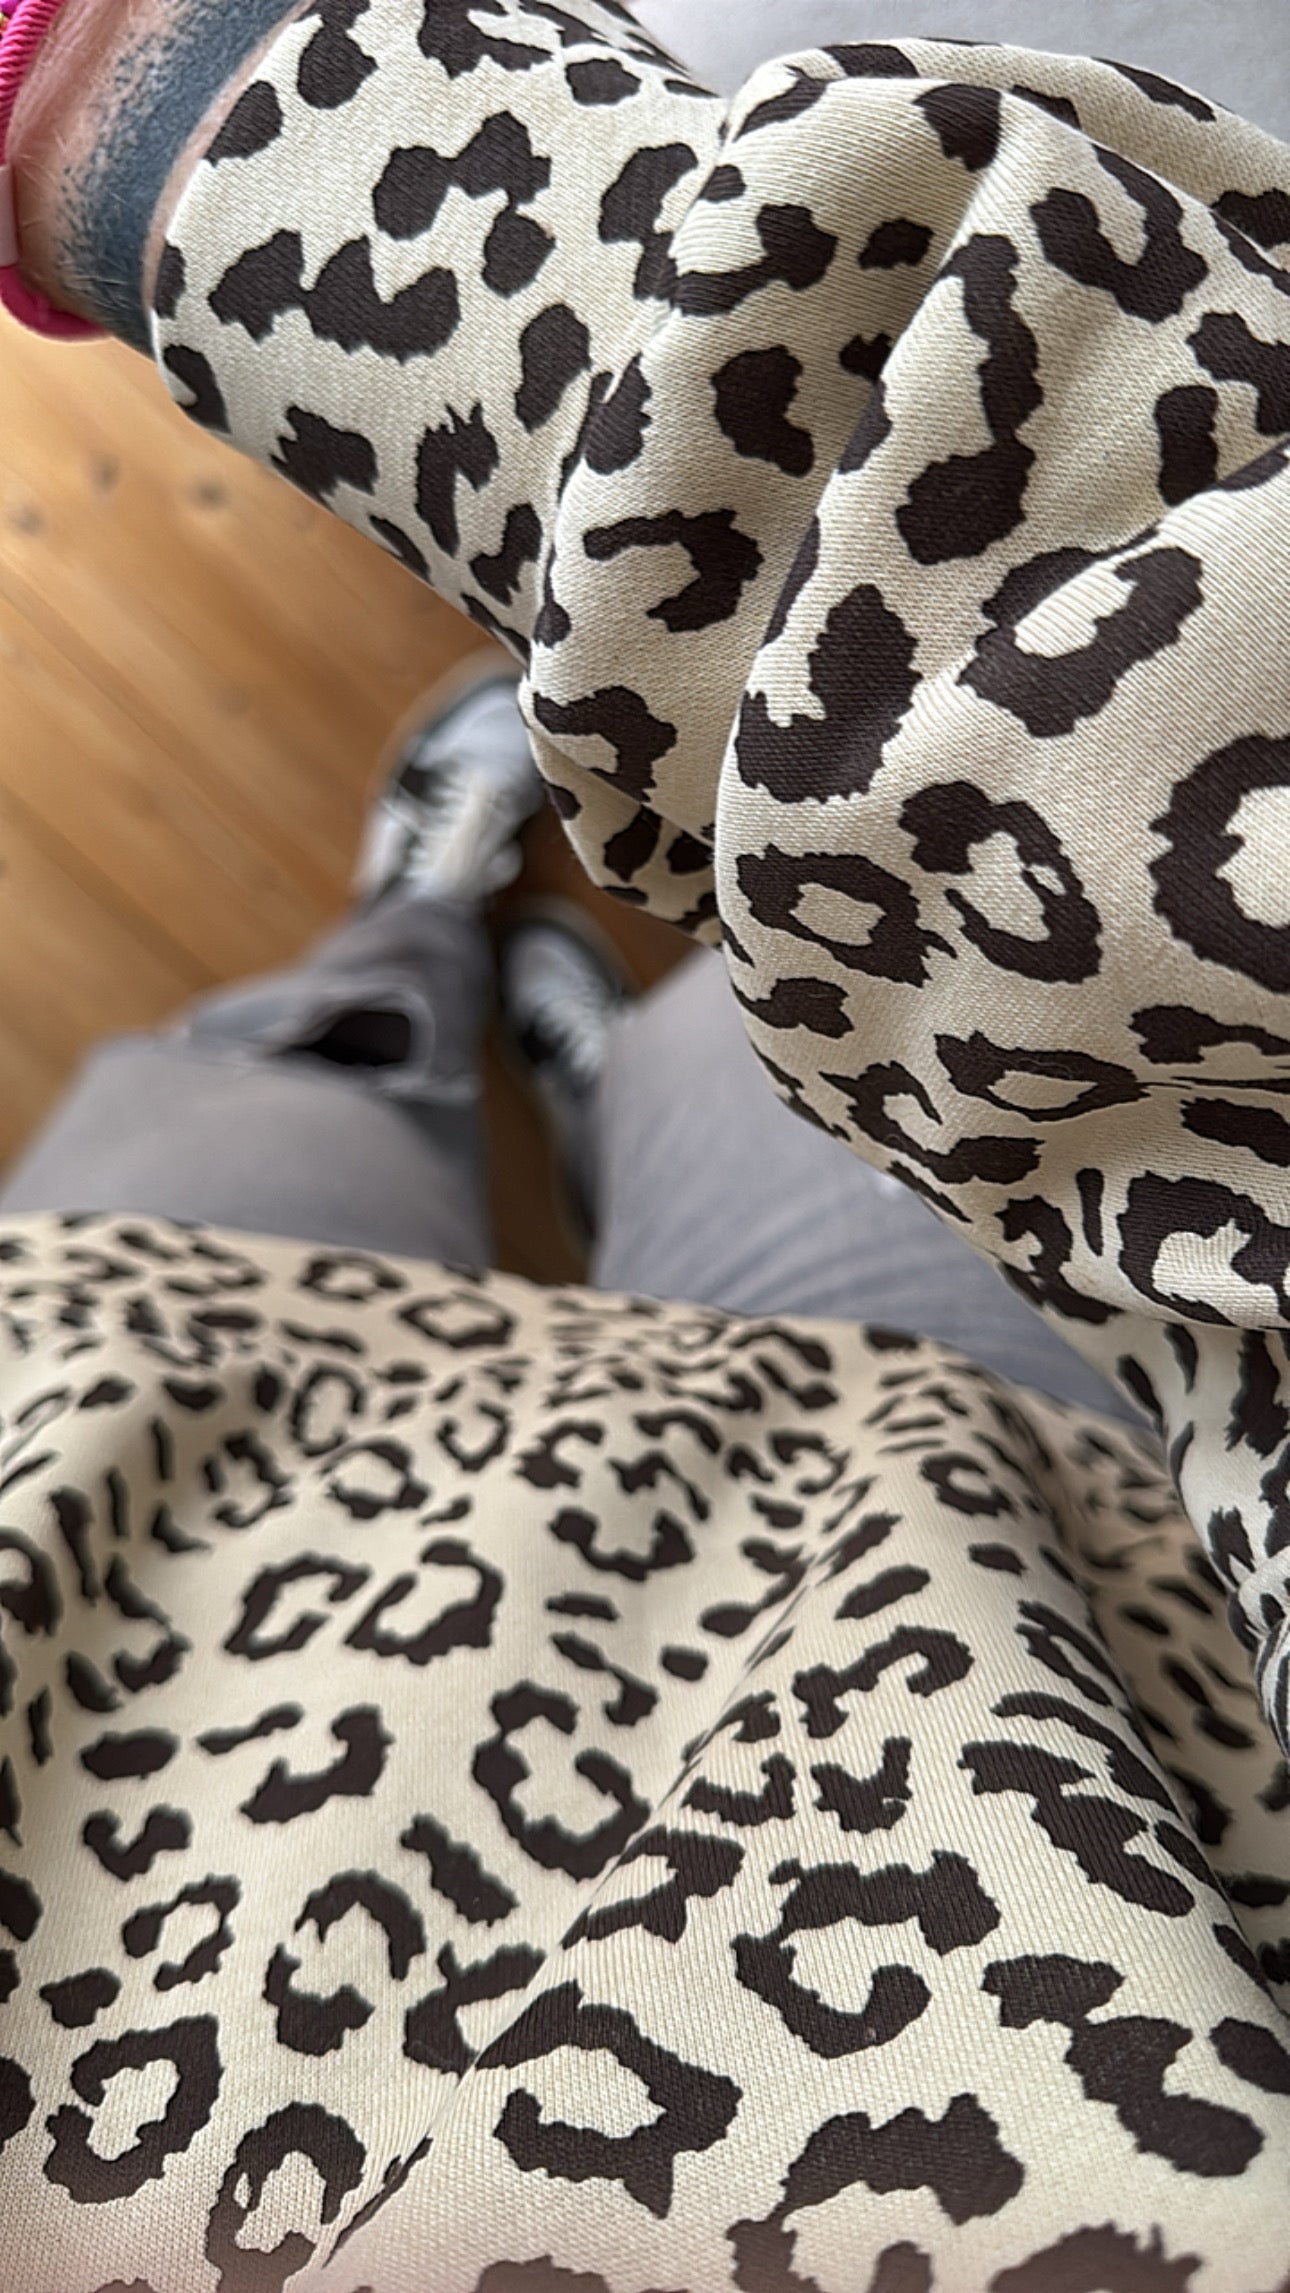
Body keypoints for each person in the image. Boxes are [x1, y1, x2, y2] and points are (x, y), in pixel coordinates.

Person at [0, 4, 1288, 2289]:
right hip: (975, 1628)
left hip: (101, 1574)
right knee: (754, 1073)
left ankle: (425, 936)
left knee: (266, 1099)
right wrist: (195, 118)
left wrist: (166, 112)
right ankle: (588, 1051)